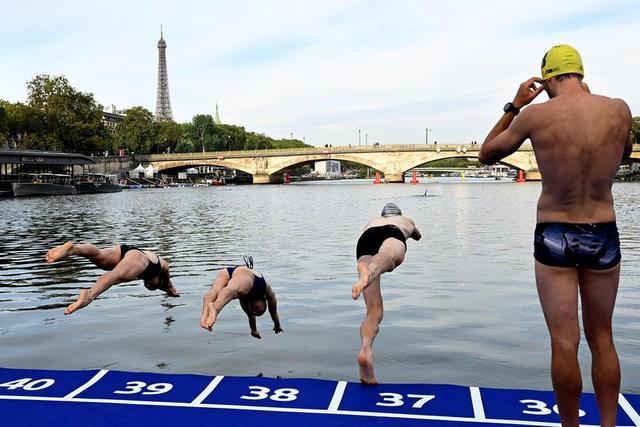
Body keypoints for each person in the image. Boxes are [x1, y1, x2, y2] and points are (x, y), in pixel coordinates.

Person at [478, 44, 633, 427]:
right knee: (603, 339)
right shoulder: (619, 109)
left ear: (547, 78)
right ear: (581, 73)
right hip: (603, 230)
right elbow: (625, 152)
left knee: (565, 342)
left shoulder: (535, 115)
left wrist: (514, 105)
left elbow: (486, 154)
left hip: (555, 232)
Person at [352, 203, 422, 384]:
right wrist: (412, 231)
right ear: (399, 214)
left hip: (365, 240)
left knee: (373, 311)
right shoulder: (405, 221)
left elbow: (367, 232)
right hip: (393, 233)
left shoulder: (372, 222)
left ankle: (365, 348)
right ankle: (371, 272)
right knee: (390, 257)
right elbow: (418, 236)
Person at [46, 242, 179, 315]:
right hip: (138, 257)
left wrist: (168, 290)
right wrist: (167, 286)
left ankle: (72, 249)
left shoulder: (149, 267)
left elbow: (168, 287)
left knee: (98, 256)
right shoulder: (159, 266)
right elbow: (168, 282)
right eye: (152, 286)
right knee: (116, 275)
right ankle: (90, 295)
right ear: (159, 278)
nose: (148, 284)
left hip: (124, 250)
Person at [200, 256, 282, 339]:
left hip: (228, 272)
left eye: (254, 312)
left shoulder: (246, 304)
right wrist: (277, 325)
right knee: (233, 289)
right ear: (264, 301)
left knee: (216, 290)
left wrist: (254, 331)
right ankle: (215, 307)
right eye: (258, 310)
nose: (254, 310)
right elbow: (273, 313)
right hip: (248, 275)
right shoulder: (268, 293)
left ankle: (205, 316)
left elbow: (251, 317)